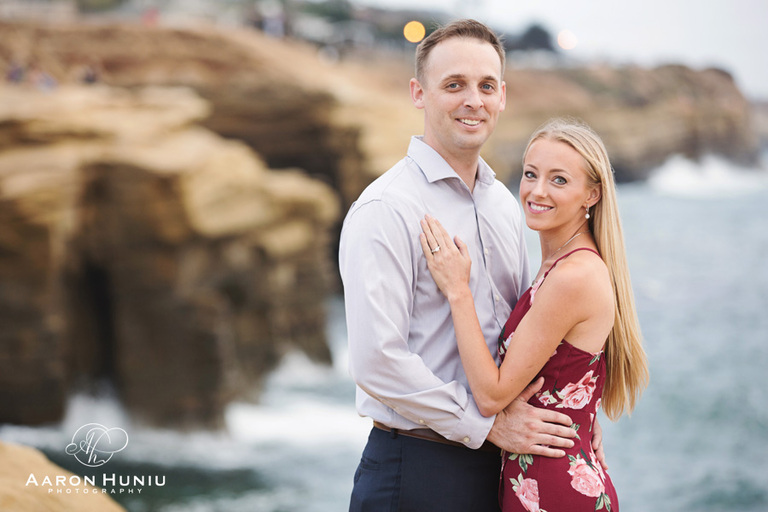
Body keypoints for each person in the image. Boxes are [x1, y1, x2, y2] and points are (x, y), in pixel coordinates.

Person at [340, 20, 602, 512]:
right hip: (418, 467)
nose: (473, 101)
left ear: (502, 96)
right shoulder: (387, 209)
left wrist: (578, 417)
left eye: (485, 86)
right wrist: (486, 426)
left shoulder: (506, 204)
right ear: (419, 93)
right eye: (454, 85)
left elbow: (527, 333)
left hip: (502, 466)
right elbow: (376, 361)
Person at [419, 117, 649, 511]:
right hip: (543, 479)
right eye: (530, 174)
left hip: (555, 492)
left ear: (591, 195)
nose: (537, 191)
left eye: (559, 180)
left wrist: (458, 291)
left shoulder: (572, 277)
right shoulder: (560, 266)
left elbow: (491, 395)